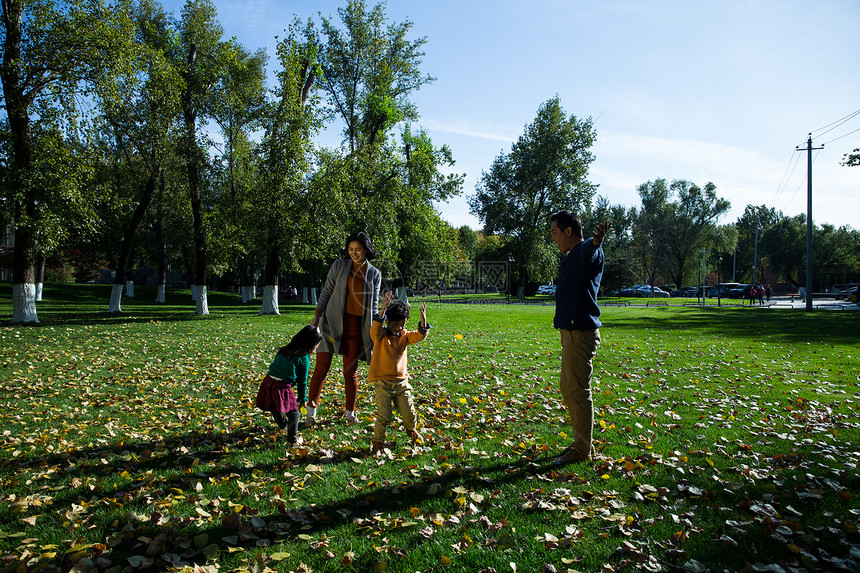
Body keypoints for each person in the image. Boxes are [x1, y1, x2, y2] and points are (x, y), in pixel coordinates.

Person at [549, 211, 610, 464]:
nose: (553, 239)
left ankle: (583, 451)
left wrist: (596, 242)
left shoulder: (584, 251)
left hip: (580, 333)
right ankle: (581, 442)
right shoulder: (570, 256)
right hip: (570, 334)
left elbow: (591, 251)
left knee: (578, 391)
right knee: (568, 388)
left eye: (555, 233)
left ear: (568, 231)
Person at [306, 232, 382, 426]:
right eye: (350, 249)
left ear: (366, 249)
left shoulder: (374, 274)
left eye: (358, 250)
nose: (354, 253)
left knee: (350, 373)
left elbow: (373, 305)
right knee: (321, 368)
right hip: (331, 323)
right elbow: (327, 291)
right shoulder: (339, 266)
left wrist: (376, 325)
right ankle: (311, 413)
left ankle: (350, 414)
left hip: (357, 328)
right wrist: (316, 317)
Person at [368, 293, 430, 456]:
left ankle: (412, 431)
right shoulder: (379, 335)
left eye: (403, 324)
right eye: (396, 325)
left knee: (409, 413)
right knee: (385, 415)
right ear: (388, 321)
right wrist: (383, 307)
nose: (400, 328)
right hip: (383, 384)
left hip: (402, 384)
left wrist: (423, 320)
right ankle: (378, 443)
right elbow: (375, 326)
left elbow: (420, 335)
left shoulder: (404, 336)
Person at [255, 325, 322, 452]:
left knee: (274, 406)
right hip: (281, 386)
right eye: (317, 344)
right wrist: (302, 399)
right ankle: (292, 442)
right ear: (310, 344)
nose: (317, 347)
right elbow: (303, 381)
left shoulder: (284, 350)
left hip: (268, 381)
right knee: (294, 414)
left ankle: (284, 427)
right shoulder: (303, 358)